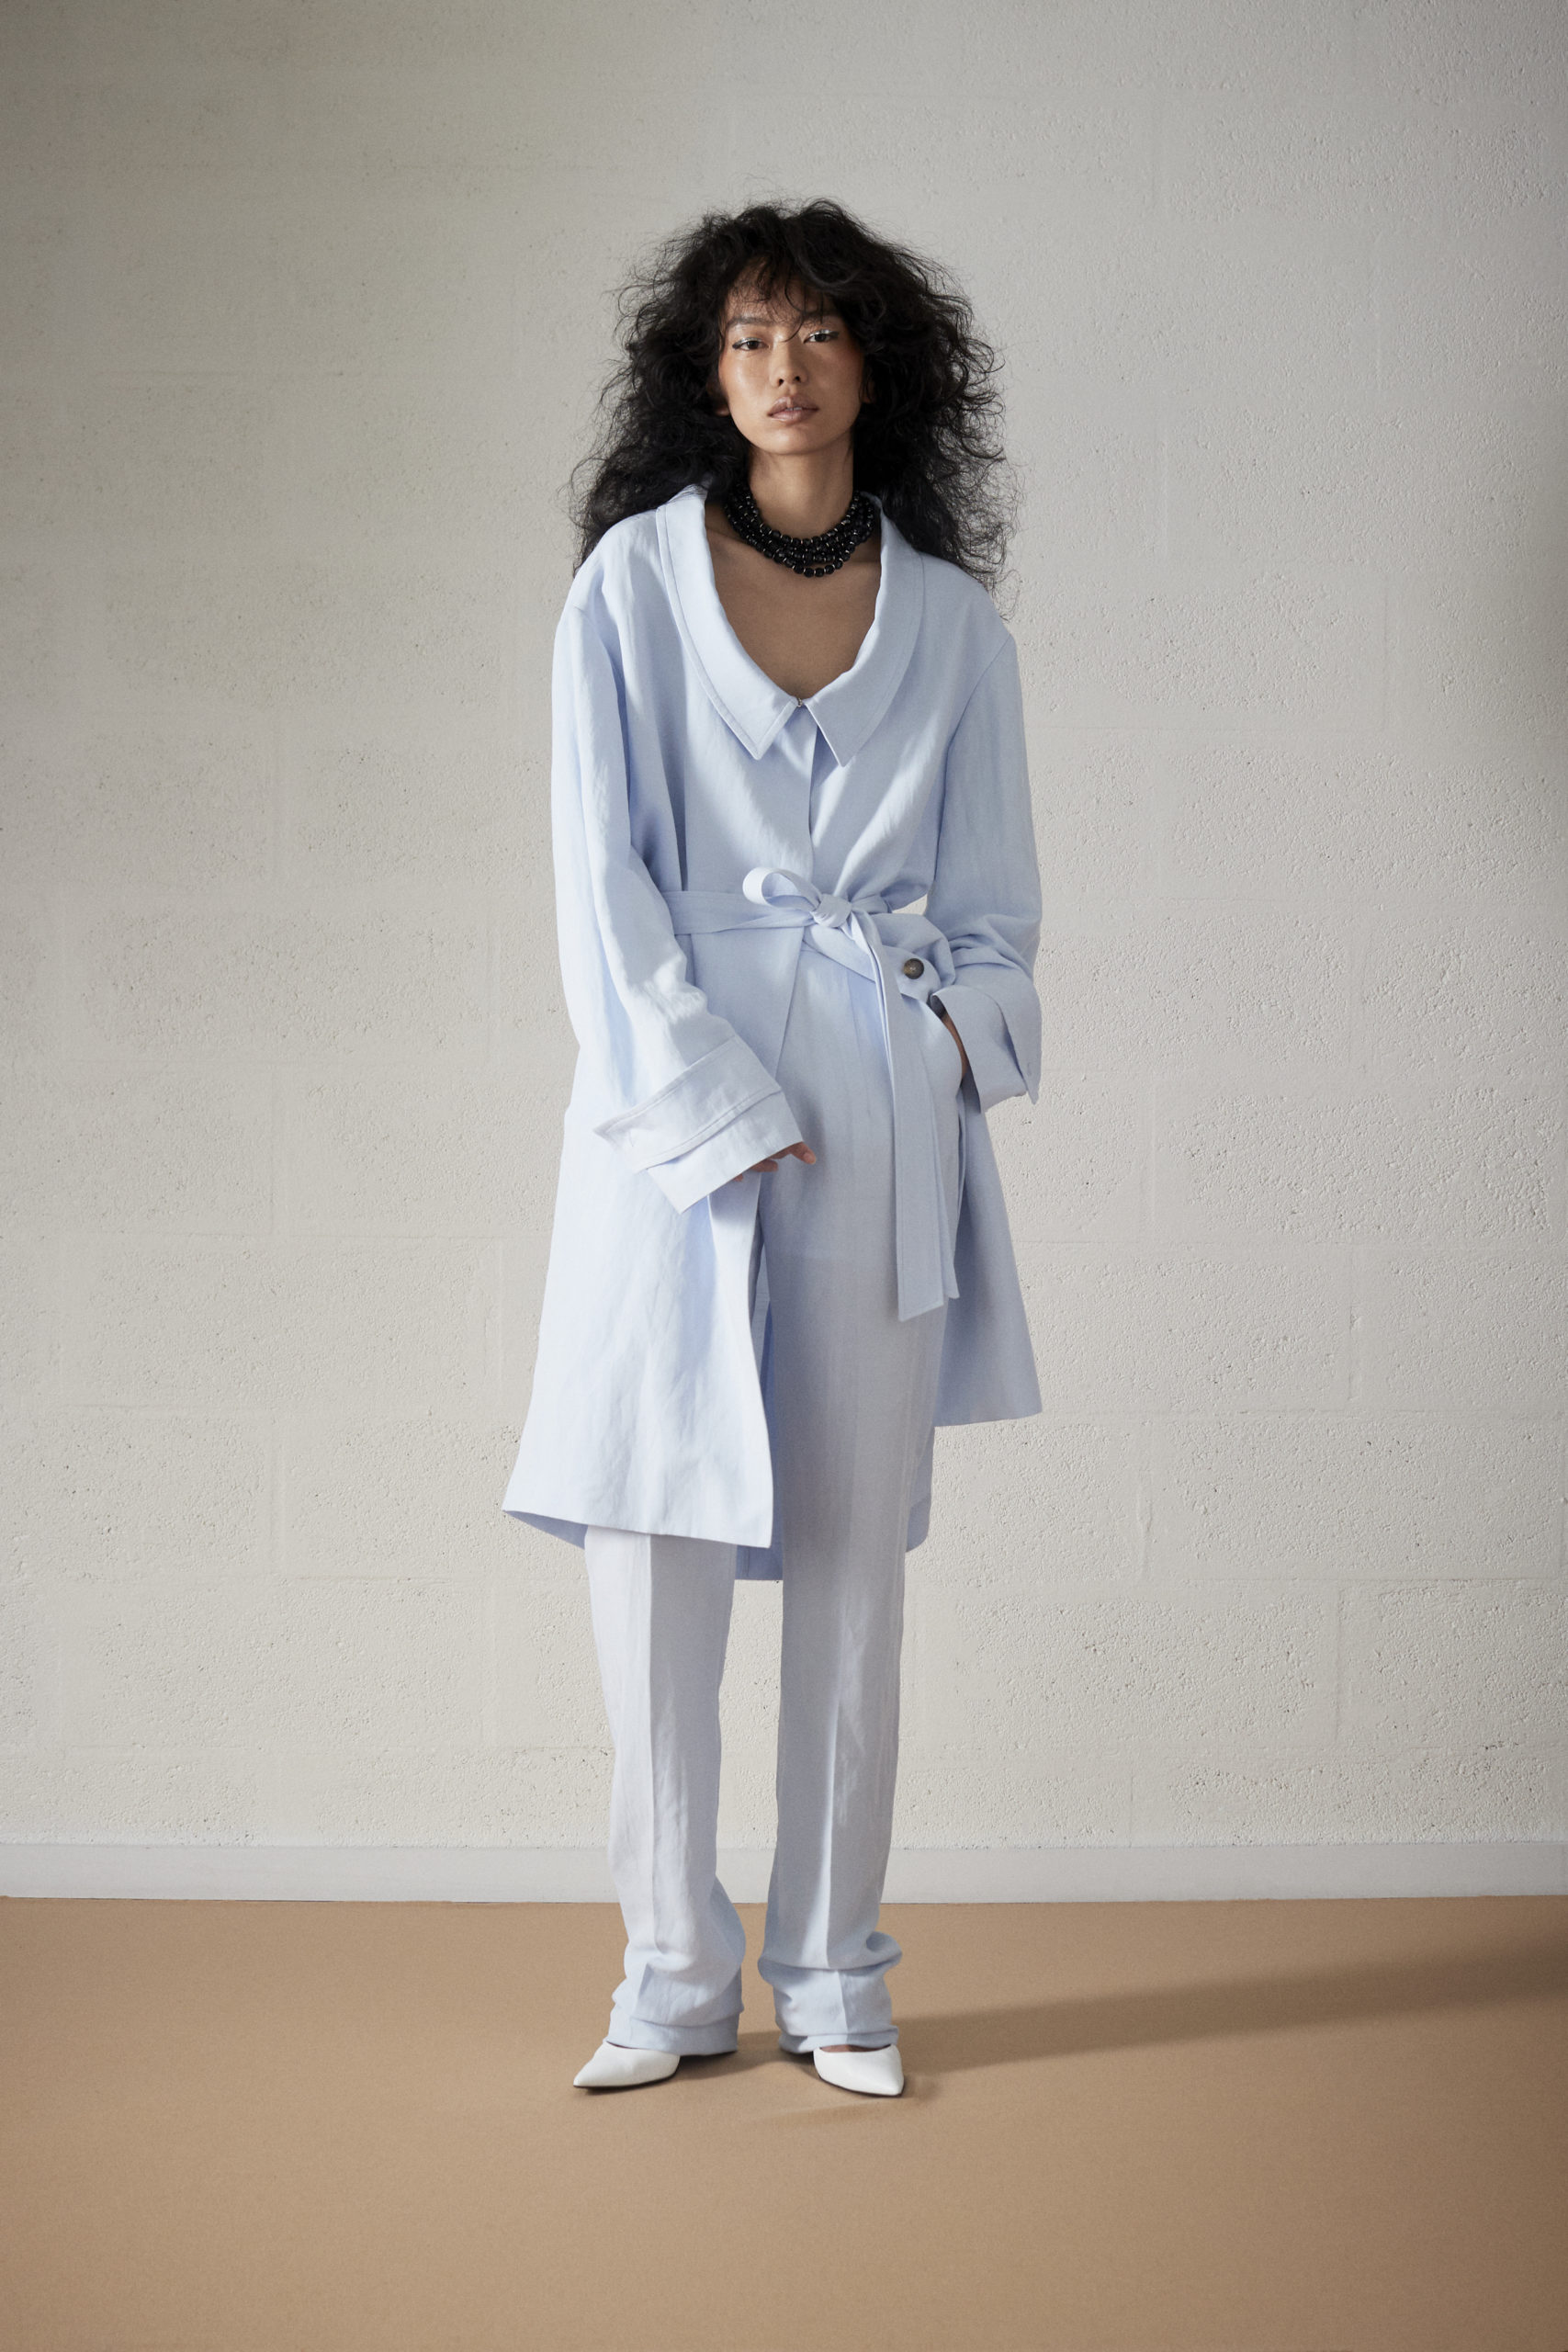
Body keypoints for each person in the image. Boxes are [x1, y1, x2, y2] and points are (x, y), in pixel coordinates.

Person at [502, 198, 1043, 2098]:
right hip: (669, 1135)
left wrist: (925, 1053)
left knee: (849, 1562)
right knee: (650, 1536)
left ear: (876, 363)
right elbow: (601, 893)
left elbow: (997, 918)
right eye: (746, 337)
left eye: (816, 332)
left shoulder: (954, 627)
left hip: (876, 1131)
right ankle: (667, 1975)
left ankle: (831, 1972)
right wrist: (718, 1110)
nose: (782, 367)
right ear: (705, 374)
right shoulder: (627, 592)